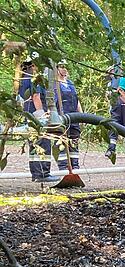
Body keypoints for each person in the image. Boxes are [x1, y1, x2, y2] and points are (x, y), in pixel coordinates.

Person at [18, 55, 60, 183]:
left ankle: (37, 173)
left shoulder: (23, 78)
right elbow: (36, 97)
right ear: (32, 65)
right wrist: (42, 115)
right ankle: (42, 173)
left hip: (29, 112)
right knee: (43, 141)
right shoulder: (33, 78)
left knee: (34, 142)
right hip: (36, 112)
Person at [53, 60, 82, 170]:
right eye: (62, 67)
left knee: (74, 141)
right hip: (61, 117)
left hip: (73, 117)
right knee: (61, 142)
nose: (64, 69)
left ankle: (75, 166)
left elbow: (76, 100)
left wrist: (81, 115)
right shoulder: (54, 84)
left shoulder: (70, 83)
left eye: (66, 67)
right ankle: (63, 168)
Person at [105, 65, 125, 159]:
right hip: (115, 108)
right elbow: (108, 97)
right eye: (111, 72)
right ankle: (111, 149)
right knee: (113, 127)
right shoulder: (110, 85)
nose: (113, 73)